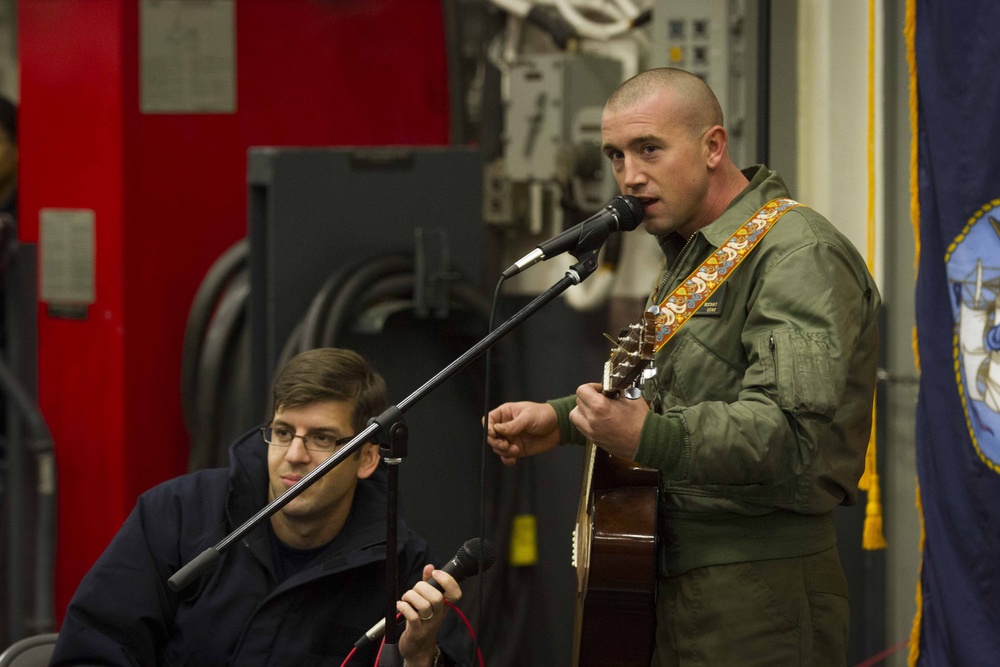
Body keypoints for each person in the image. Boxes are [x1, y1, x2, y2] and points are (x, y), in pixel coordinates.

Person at [487, 68, 880, 665]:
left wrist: (649, 437)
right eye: (616, 156)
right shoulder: (696, 252)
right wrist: (563, 420)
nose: (630, 177)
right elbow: (666, 390)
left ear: (713, 146)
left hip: (757, 594)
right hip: (667, 577)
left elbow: (790, 434)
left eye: (649, 149)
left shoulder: (798, 254)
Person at [52, 348, 467, 666]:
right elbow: (91, 650)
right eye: (283, 432)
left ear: (367, 458)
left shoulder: (403, 564)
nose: (294, 455)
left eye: (322, 439)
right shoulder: (175, 515)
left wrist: (421, 657)